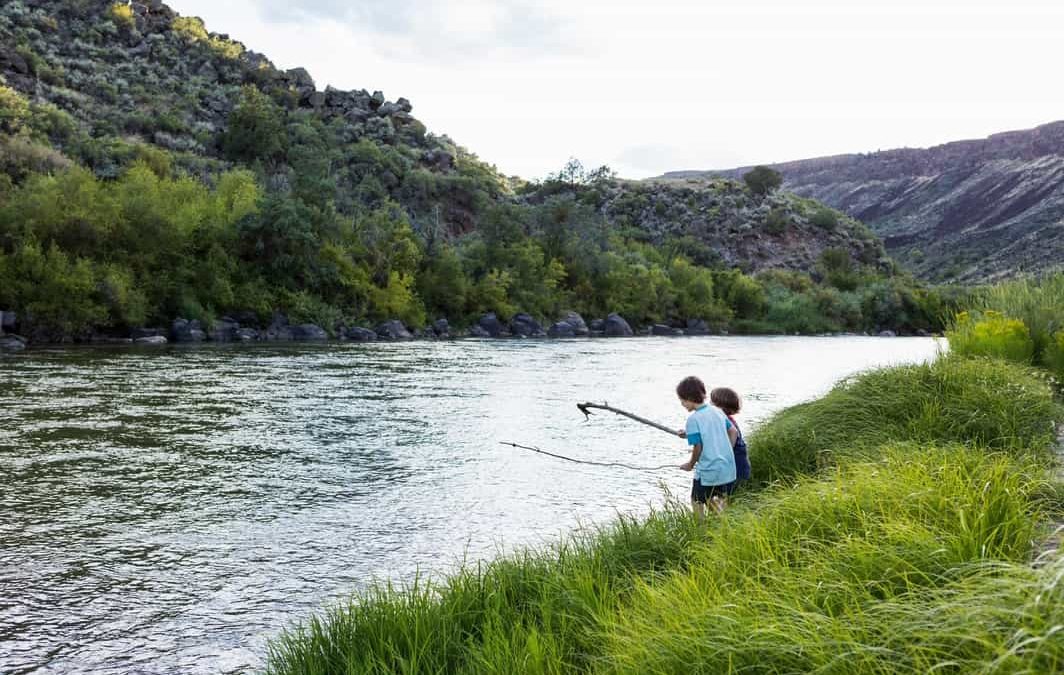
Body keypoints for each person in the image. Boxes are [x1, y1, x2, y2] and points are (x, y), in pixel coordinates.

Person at [676, 376, 737, 519]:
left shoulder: (693, 419)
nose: (682, 404)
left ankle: (702, 532)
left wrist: (690, 464)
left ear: (690, 398)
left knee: (696, 501)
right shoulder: (717, 411)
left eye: (683, 400)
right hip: (726, 467)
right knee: (718, 499)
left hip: (708, 470)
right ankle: (725, 526)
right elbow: (733, 431)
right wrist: (727, 451)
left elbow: (698, 446)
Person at [710, 387, 751, 491]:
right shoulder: (727, 420)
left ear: (720, 406)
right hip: (739, 468)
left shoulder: (723, 422)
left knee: (722, 497)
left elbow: (729, 440)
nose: (709, 404)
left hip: (734, 470)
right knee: (724, 498)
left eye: (712, 402)